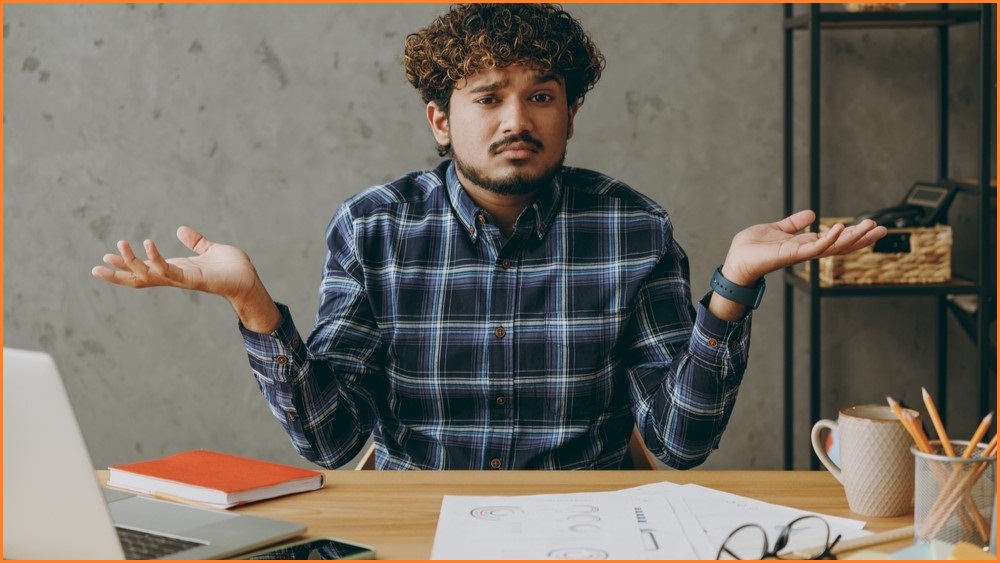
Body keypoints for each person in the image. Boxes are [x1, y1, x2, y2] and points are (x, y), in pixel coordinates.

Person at [92, 4, 886, 470]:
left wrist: (732, 289)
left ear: (570, 113)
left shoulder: (633, 228)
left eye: (542, 95)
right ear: (441, 118)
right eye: (488, 97)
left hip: (592, 530)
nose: (517, 120)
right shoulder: (375, 226)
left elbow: (678, 444)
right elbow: (335, 442)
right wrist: (254, 305)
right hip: (421, 525)